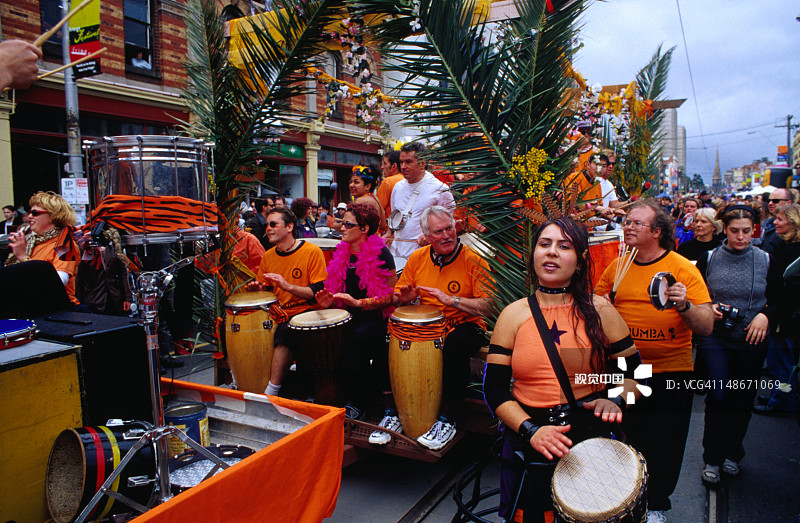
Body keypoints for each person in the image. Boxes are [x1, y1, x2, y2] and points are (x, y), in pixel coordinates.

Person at [485, 217, 643, 523]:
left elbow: (637, 375)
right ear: (533, 255)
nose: (552, 252)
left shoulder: (602, 311)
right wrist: (531, 430)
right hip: (528, 442)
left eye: (564, 246)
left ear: (581, 260)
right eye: (544, 244)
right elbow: (494, 389)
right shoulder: (512, 315)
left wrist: (616, 400)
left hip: (591, 443)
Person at [595, 201, 713, 523]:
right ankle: (621, 499)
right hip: (626, 370)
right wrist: (600, 308)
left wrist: (685, 305)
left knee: (665, 441)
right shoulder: (617, 266)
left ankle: (657, 506)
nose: (627, 226)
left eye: (636, 223)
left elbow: (706, 325)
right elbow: (592, 309)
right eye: (626, 221)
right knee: (624, 436)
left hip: (670, 371)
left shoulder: (683, 268)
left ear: (657, 231)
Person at [379, 206, 491, 450]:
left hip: (467, 324)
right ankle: (395, 413)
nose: (446, 235)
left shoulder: (474, 260)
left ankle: (447, 419)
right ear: (427, 236)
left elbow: (490, 305)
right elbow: (398, 298)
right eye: (438, 231)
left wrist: (454, 301)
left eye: (449, 228)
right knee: (386, 335)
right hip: (428, 328)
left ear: (455, 227)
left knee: (456, 345)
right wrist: (405, 297)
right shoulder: (418, 258)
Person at [694, 204, 778, 483]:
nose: (741, 237)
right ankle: (712, 457)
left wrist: (765, 315)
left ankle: (733, 451)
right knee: (718, 396)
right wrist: (710, 308)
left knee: (741, 398)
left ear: (754, 229)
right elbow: (697, 295)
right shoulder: (710, 257)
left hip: (751, 339)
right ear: (724, 230)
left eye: (747, 231)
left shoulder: (766, 258)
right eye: (734, 231)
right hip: (716, 337)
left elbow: (781, 296)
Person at [314, 203, 396, 419]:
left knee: (356, 336)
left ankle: (358, 401)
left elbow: (389, 297)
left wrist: (359, 303)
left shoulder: (382, 254)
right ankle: (327, 394)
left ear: (364, 229)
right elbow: (335, 295)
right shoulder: (341, 253)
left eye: (348, 224)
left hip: (377, 318)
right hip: (349, 315)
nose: (341, 227)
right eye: (342, 223)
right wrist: (328, 303)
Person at [245, 207, 327, 397]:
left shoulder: (311, 251)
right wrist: (257, 291)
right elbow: (267, 292)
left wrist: (287, 286)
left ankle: (271, 392)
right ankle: (246, 382)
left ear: (289, 226)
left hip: (307, 311)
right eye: (267, 225)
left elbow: (316, 293)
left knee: (285, 331)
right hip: (279, 312)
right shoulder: (268, 256)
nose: (268, 229)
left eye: (273, 224)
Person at [755, 203, 800, 415]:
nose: (775, 222)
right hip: (786, 312)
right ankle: (781, 395)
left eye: (780, 219)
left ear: (793, 222)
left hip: (785, 315)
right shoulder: (786, 245)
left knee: (781, 363)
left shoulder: (792, 250)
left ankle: (781, 401)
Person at [385, 142, 455, 271]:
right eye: (401, 162)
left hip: (425, 258)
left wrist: (429, 237)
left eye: (408, 162)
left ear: (422, 163)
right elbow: (394, 221)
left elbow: (450, 226)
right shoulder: (397, 187)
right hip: (396, 254)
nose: (403, 166)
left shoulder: (440, 189)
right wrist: (388, 235)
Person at [5, 191, 81, 305]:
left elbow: (57, 283)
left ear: (52, 216)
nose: (29, 216)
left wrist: (23, 258)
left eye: (35, 212)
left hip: (57, 309)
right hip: (32, 305)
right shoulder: (32, 242)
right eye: (29, 212)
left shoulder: (65, 245)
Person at [375, 150, 402, 219]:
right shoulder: (409, 180)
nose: (382, 167)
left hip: (392, 226)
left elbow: (376, 209)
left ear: (394, 166)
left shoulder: (388, 182)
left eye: (385, 163)